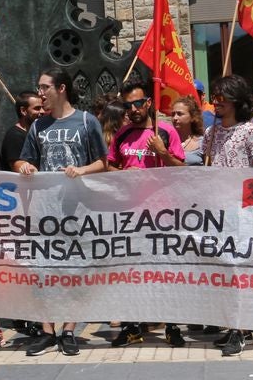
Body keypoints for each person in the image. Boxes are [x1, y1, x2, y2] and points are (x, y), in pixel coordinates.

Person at [14, 67, 108, 357]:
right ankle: (46, 331)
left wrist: (82, 170)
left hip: (78, 211)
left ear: (62, 88)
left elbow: (103, 162)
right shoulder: (38, 126)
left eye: (45, 87)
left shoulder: (86, 121)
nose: (40, 93)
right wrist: (24, 167)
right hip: (45, 211)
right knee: (42, 271)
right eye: (39, 88)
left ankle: (68, 330)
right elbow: (22, 161)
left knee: (75, 270)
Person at [106, 78, 186, 348]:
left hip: (164, 213)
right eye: (128, 106)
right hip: (131, 214)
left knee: (167, 272)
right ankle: (132, 327)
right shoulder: (122, 134)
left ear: (149, 102)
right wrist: (123, 173)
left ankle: (172, 326)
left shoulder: (165, 132)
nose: (133, 109)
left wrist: (163, 153)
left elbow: (183, 171)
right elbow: (109, 167)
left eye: (138, 103)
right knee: (130, 273)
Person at [203, 75, 253, 356]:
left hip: (242, 211)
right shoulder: (211, 133)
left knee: (240, 269)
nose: (216, 103)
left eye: (221, 97)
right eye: (214, 97)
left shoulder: (250, 131)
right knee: (224, 270)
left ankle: (239, 330)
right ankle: (234, 324)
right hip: (217, 212)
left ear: (236, 101)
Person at [0, 91, 44, 172]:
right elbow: (17, 167)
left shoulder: (38, 134)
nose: (42, 111)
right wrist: (30, 169)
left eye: (43, 108)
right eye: (37, 108)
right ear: (23, 111)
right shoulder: (14, 136)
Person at [170, 96, 205, 166]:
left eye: (179, 114)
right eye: (173, 114)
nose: (175, 118)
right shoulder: (167, 141)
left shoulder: (203, 143)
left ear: (193, 117)